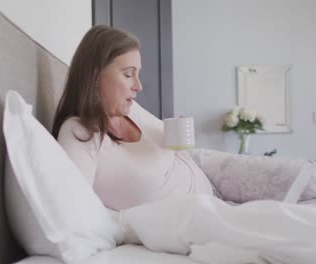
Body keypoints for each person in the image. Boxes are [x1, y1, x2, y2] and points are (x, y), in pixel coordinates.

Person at [52, 25, 215, 211]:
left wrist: (178, 130)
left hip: (213, 197)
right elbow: (75, 210)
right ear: (95, 75)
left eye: (137, 74)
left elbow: (171, 145)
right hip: (194, 219)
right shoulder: (80, 133)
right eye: (128, 74)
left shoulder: (131, 110)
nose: (138, 86)